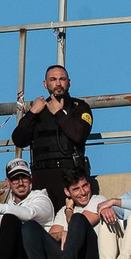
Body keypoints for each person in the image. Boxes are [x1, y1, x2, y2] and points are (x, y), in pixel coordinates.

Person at [12, 64, 92, 209]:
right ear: (45, 84)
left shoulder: (79, 107)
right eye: (53, 79)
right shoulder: (38, 109)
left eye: (62, 79)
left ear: (69, 82)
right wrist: (32, 113)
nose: (58, 83)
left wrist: (58, 113)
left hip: (70, 175)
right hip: (41, 176)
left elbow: (79, 135)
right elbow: (18, 139)